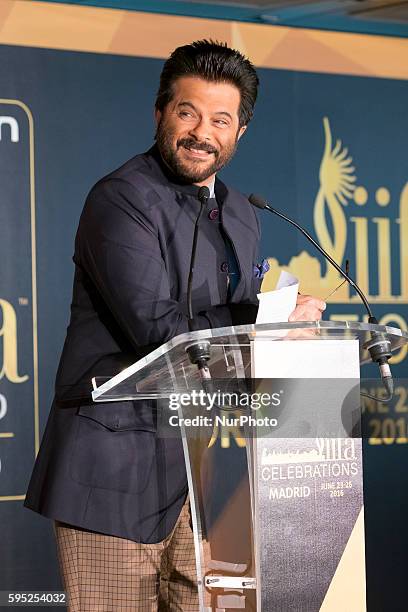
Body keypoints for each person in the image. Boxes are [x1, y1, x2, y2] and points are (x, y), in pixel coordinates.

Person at [25, 40, 325, 611]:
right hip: (109, 480)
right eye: (188, 112)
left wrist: (287, 345)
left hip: (199, 480)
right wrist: (265, 318)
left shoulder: (239, 212)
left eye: (220, 119)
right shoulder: (120, 199)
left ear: (241, 132)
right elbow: (156, 333)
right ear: (161, 111)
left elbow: (230, 346)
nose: (200, 132)